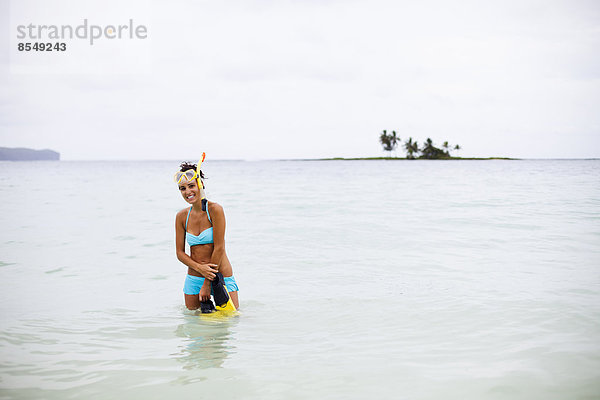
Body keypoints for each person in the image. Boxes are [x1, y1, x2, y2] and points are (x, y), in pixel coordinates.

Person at [174, 155, 239, 311]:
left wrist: (207, 282)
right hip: (194, 278)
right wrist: (200, 268)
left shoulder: (215, 210)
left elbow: (219, 248)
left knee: (229, 324)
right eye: (183, 188)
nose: (187, 191)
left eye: (191, 186)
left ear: (200, 184)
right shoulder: (182, 216)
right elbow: (179, 253)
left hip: (219, 276)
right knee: (194, 327)